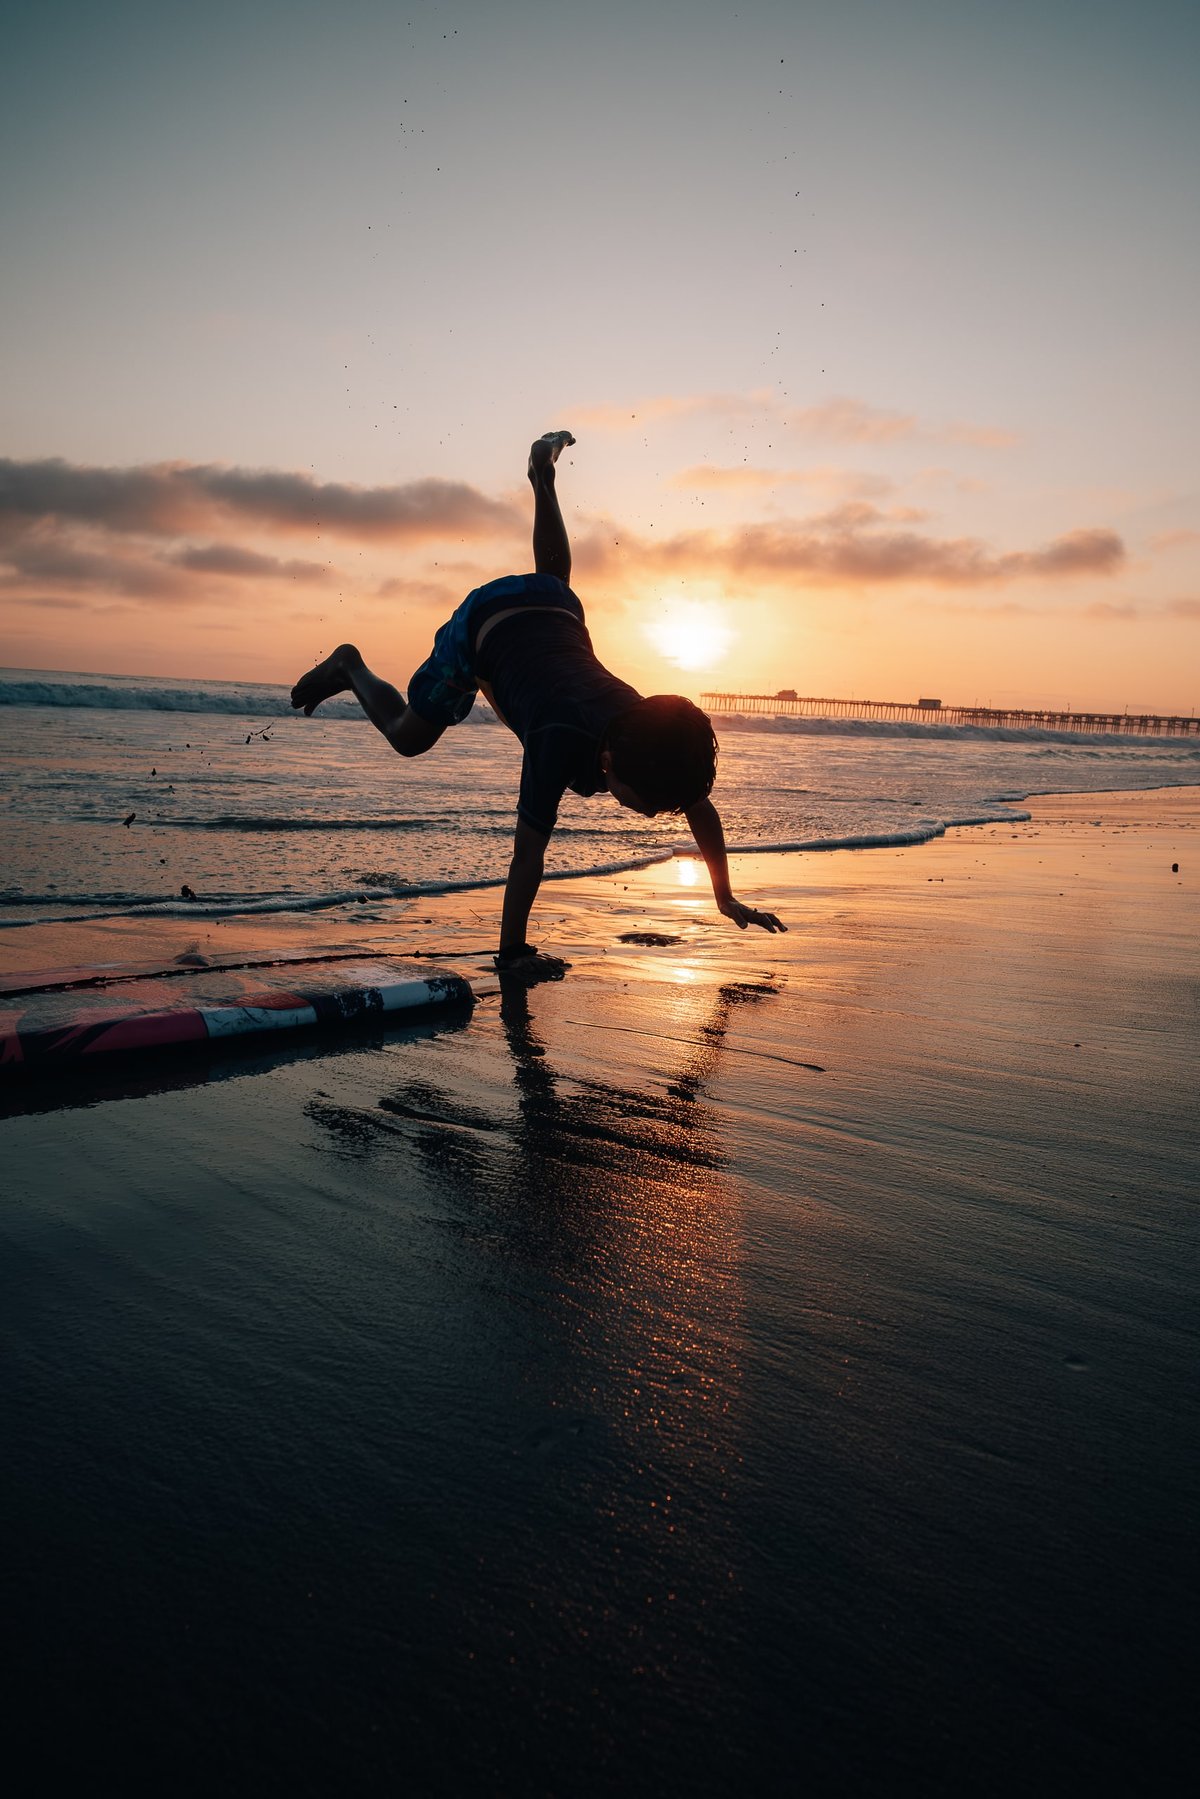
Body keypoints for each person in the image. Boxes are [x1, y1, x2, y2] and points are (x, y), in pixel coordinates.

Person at [290, 432, 786, 967]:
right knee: (408, 735)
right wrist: (513, 954)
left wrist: (724, 896)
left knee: (555, 581)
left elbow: (697, 807)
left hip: (553, 609)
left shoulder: (648, 725)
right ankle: (350, 665)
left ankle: (541, 476)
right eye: (635, 801)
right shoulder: (556, 743)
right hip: (482, 630)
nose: (638, 812)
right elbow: (528, 856)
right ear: (609, 761)